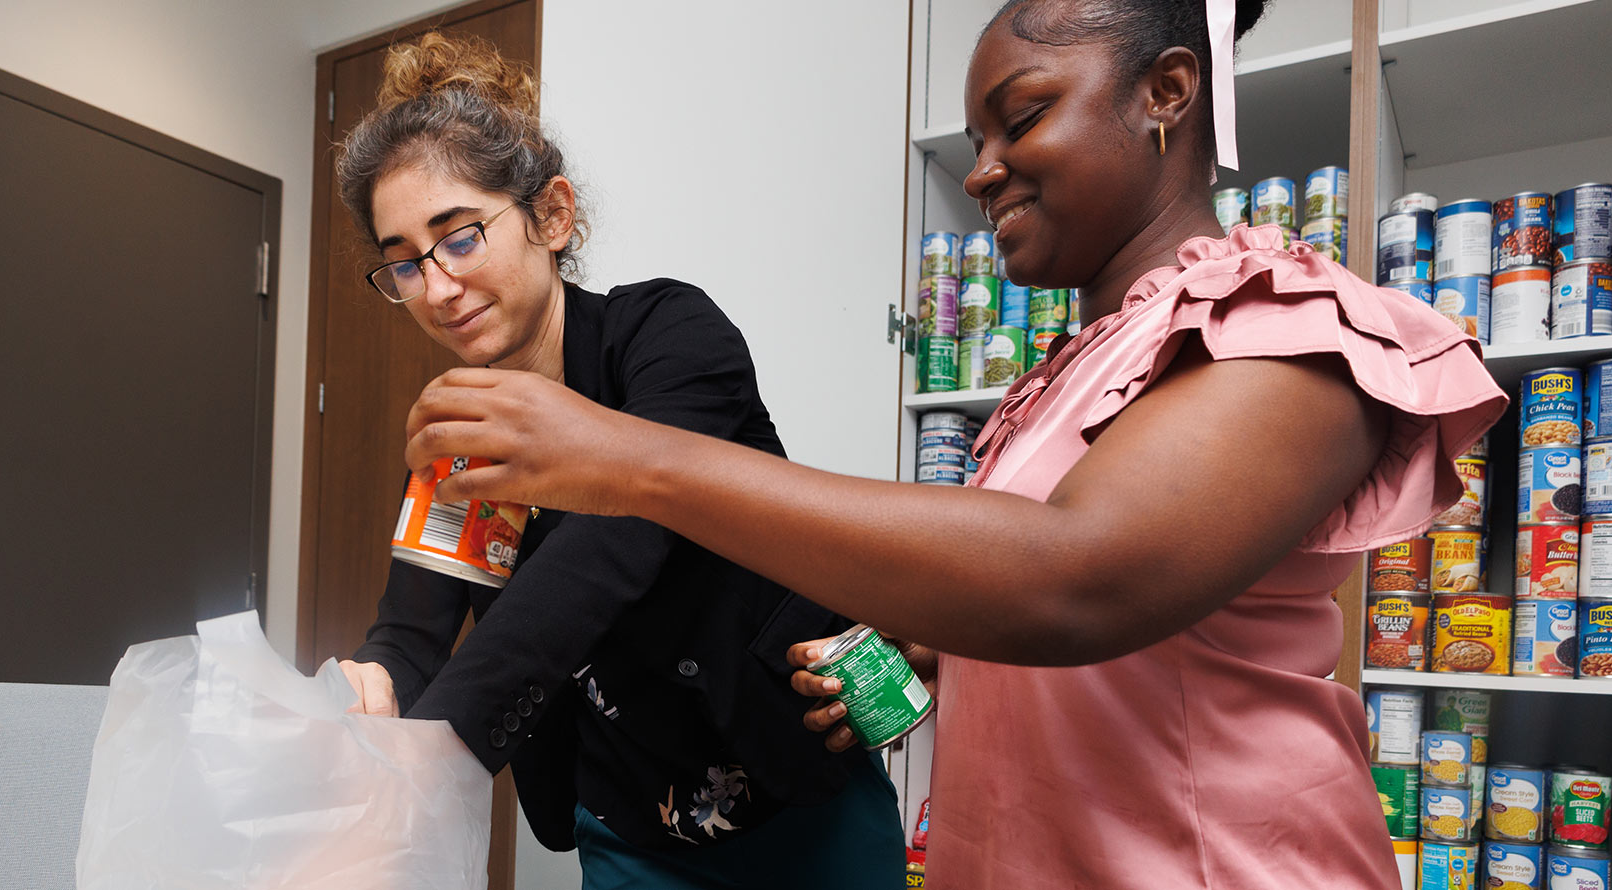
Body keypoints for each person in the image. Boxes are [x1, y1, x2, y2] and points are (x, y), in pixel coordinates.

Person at [397, 1, 1511, 886]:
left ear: (1170, 90)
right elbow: (1051, 591)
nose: (980, 169)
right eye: (975, 136)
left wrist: (627, 458)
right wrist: (936, 639)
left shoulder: (1289, 330)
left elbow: (1078, 577)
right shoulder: (1070, 373)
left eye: (1020, 118)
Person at [327, 30, 903, 890]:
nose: (437, 287)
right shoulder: (463, 438)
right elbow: (412, 635)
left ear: (550, 216)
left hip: (793, 787)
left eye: (460, 238)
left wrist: (426, 769)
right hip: (630, 822)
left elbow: (614, 545)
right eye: (404, 263)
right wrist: (363, 694)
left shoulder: (669, 339)